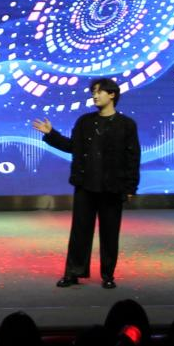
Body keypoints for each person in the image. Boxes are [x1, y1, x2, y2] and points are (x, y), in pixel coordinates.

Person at [31, 77, 140, 288]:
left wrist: (130, 187)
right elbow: (72, 146)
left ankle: (108, 275)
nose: (94, 96)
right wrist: (51, 134)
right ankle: (73, 273)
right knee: (80, 231)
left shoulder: (126, 125)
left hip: (113, 187)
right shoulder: (85, 122)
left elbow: (133, 157)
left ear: (112, 95)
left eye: (99, 92)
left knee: (110, 233)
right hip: (86, 185)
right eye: (93, 92)